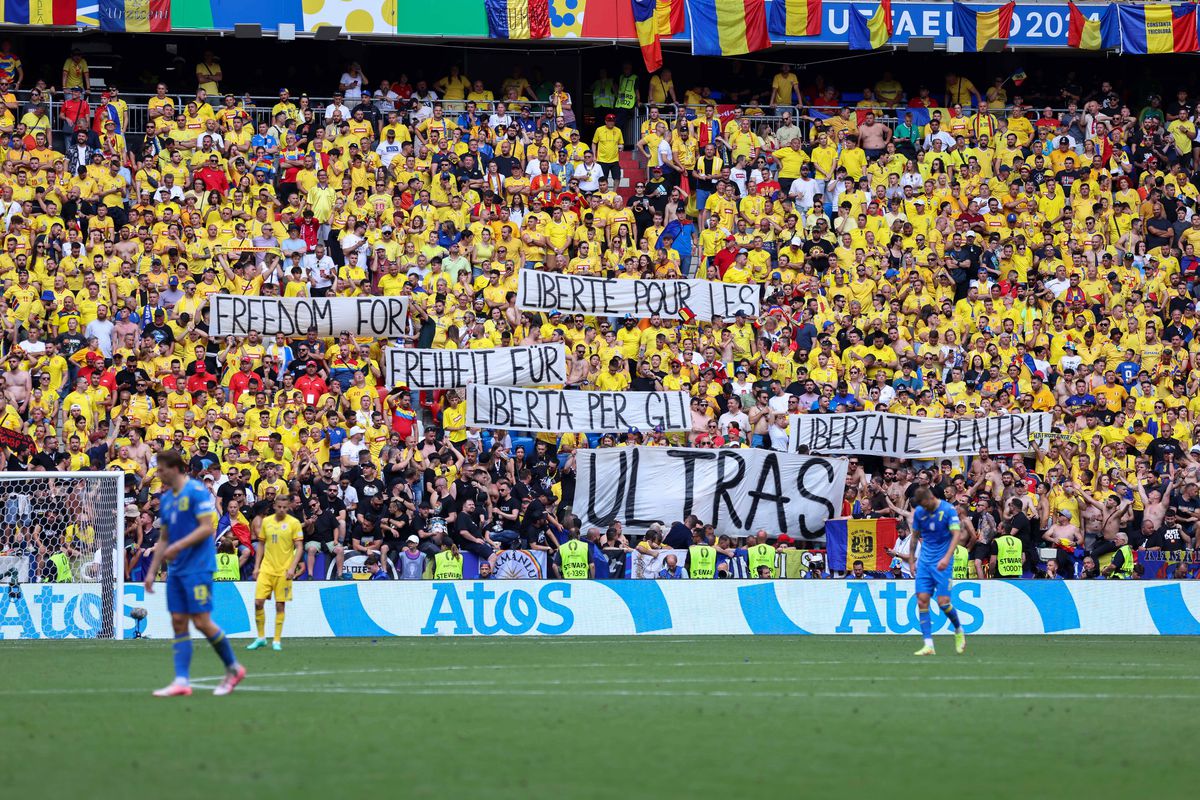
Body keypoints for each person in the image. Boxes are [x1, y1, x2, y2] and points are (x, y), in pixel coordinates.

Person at [144, 449, 245, 697]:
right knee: (178, 621)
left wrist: (178, 546)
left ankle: (233, 668)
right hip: (177, 570)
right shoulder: (167, 499)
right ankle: (181, 681)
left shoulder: (197, 491)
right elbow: (165, 537)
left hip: (198, 567)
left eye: (161, 469)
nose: (158, 474)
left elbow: (205, 528)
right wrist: (152, 570)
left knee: (201, 622)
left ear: (175, 468)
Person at [910, 487, 967, 656]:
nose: (925, 509)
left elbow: (956, 534)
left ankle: (958, 629)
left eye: (926, 505)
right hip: (925, 562)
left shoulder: (948, 509)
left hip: (943, 562)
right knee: (922, 600)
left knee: (943, 603)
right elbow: (914, 536)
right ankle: (928, 645)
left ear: (932, 497)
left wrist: (947, 558)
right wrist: (912, 560)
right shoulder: (920, 512)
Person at [247, 494, 303, 651]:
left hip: (284, 571)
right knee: (258, 602)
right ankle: (261, 637)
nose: (282, 510)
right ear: (274, 506)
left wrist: (292, 567)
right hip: (266, 569)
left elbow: (299, 547)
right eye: (279, 507)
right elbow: (261, 545)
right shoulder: (266, 522)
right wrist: (257, 566)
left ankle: (276, 640)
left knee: (280, 605)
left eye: (285, 507)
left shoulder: (294, 523)